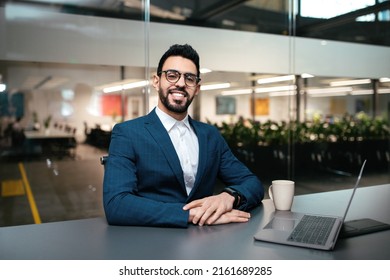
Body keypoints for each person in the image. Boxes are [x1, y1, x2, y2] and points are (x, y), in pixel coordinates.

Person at [103, 44, 264, 228]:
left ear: (196, 88)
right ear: (157, 81)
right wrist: (191, 214)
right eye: (172, 75)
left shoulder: (210, 135)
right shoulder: (128, 133)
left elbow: (252, 183)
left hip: (207, 242)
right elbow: (117, 204)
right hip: (151, 243)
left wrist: (229, 197)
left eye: (189, 78)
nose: (180, 83)